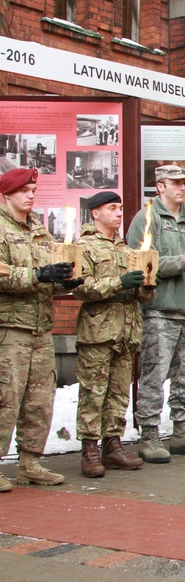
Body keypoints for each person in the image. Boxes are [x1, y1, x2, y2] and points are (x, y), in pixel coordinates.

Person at [126, 165, 185, 462]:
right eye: (176, 183)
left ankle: (182, 429)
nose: (183, 188)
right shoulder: (147, 218)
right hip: (160, 311)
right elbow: (139, 264)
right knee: (154, 374)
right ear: (160, 185)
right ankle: (149, 435)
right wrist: (182, 260)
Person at [0, 168, 83, 491]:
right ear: (6, 195)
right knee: (6, 397)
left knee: (39, 398)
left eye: (33, 189)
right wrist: (38, 275)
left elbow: (51, 273)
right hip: (10, 328)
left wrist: (64, 281)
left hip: (40, 327)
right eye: (24, 191)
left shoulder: (38, 229)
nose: (31, 195)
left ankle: (30, 462)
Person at [72, 191, 152, 478]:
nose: (119, 213)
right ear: (95, 213)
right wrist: (118, 282)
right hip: (98, 330)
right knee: (94, 392)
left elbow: (139, 294)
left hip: (126, 329)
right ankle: (89, 449)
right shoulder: (84, 245)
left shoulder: (125, 247)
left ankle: (113, 444)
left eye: (120, 208)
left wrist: (146, 285)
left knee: (119, 393)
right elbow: (80, 287)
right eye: (112, 208)